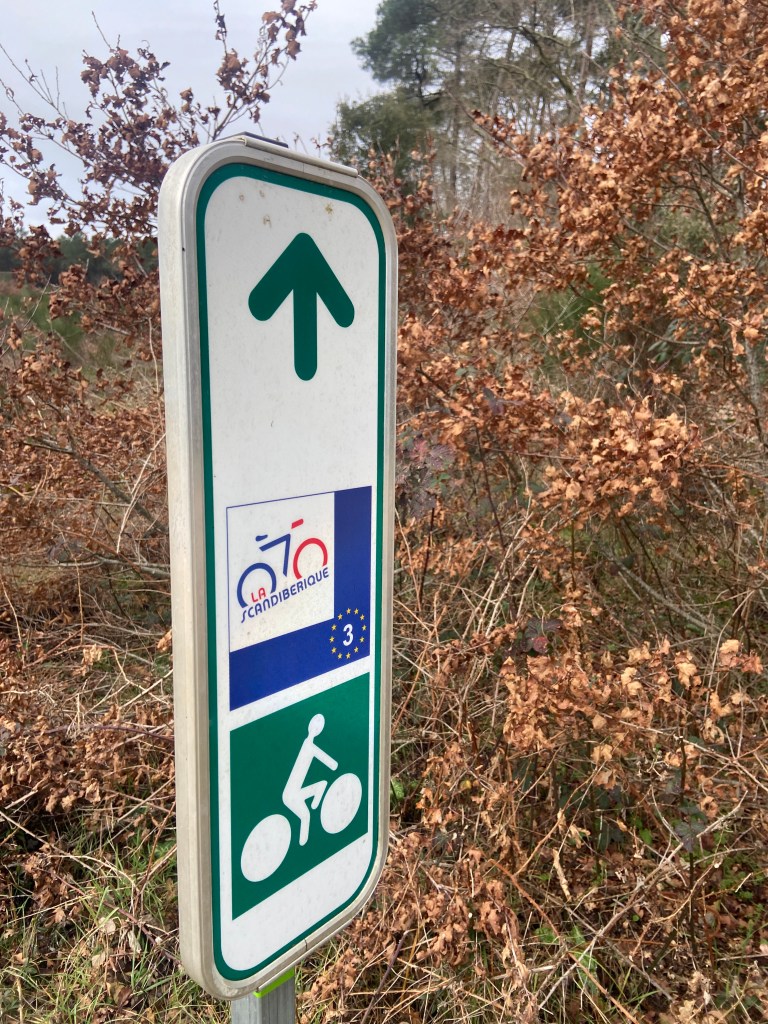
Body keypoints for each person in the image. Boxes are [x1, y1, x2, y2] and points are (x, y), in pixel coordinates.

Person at [281, 714, 337, 845]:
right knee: (306, 816)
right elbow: (329, 762)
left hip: (291, 793)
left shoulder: (308, 745)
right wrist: (333, 764)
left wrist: (333, 764)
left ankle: (316, 799)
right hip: (291, 794)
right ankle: (302, 846)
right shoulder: (309, 746)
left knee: (307, 814)